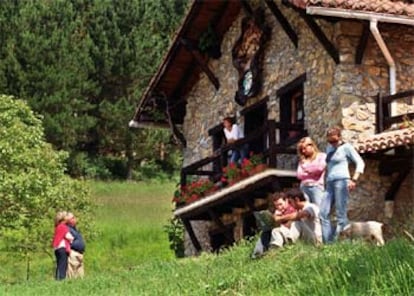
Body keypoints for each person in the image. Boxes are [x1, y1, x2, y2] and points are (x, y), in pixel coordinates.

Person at [320, 126, 365, 243]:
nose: (332, 143)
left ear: (339, 137)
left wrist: (354, 179)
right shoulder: (329, 148)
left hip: (342, 181)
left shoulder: (346, 147)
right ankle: (328, 243)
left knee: (341, 214)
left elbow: (360, 162)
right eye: (330, 141)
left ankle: (343, 243)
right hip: (329, 183)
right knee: (323, 213)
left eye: (334, 141)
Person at [251, 192, 296, 258]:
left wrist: (279, 219)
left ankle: (273, 251)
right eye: (277, 205)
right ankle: (257, 254)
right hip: (278, 232)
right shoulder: (278, 212)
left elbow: (293, 220)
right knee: (265, 233)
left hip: (289, 233)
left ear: (286, 201)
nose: (279, 207)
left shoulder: (292, 208)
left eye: (280, 204)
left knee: (275, 231)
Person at [296, 137, 326, 207]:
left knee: (319, 209)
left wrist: (306, 167)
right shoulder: (302, 160)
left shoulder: (322, 156)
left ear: (311, 146)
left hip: (317, 186)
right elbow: (299, 175)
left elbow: (319, 168)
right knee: (306, 210)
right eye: (301, 150)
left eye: (304, 148)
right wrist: (312, 170)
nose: (303, 151)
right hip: (304, 186)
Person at [52, 211, 73, 280]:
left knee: (58, 264)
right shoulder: (64, 227)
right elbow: (69, 236)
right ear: (64, 219)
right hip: (62, 248)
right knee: (63, 265)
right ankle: (61, 279)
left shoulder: (57, 227)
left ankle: (57, 278)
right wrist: (72, 239)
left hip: (56, 248)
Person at [66, 212, 86, 279]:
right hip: (73, 254)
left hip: (79, 254)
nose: (75, 219)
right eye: (72, 218)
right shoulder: (67, 229)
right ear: (68, 221)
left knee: (80, 277)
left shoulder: (74, 229)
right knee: (73, 276)